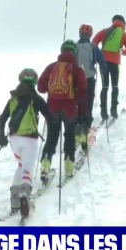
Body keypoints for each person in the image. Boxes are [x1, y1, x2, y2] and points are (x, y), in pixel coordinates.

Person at [0, 68, 55, 219]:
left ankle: (15, 201)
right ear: (34, 82)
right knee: (28, 168)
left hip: (14, 139)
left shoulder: (13, 99)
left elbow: (2, 119)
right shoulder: (35, 98)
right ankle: (24, 194)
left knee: (21, 166)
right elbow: (50, 116)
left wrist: (1, 137)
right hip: (30, 138)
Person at [37, 40, 89, 181]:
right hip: (70, 109)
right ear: (75, 53)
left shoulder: (52, 67)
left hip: (52, 108)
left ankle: (45, 166)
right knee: (70, 136)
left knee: (52, 138)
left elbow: (40, 87)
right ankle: (68, 165)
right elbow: (83, 92)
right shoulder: (77, 70)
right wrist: (84, 113)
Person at [92, 14, 126, 120]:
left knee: (105, 87)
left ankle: (103, 112)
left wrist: (98, 54)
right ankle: (113, 109)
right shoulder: (123, 34)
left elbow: (94, 42)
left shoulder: (105, 31)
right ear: (123, 23)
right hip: (115, 62)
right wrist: (123, 52)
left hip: (103, 62)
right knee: (115, 86)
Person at [74, 23, 107, 150]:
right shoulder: (93, 47)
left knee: (77, 104)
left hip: (76, 80)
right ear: (90, 35)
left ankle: (77, 130)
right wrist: (105, 74)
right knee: (87, 105)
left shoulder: (75, 47)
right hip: (89, 80)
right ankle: (85, 130)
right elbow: (102, 62)